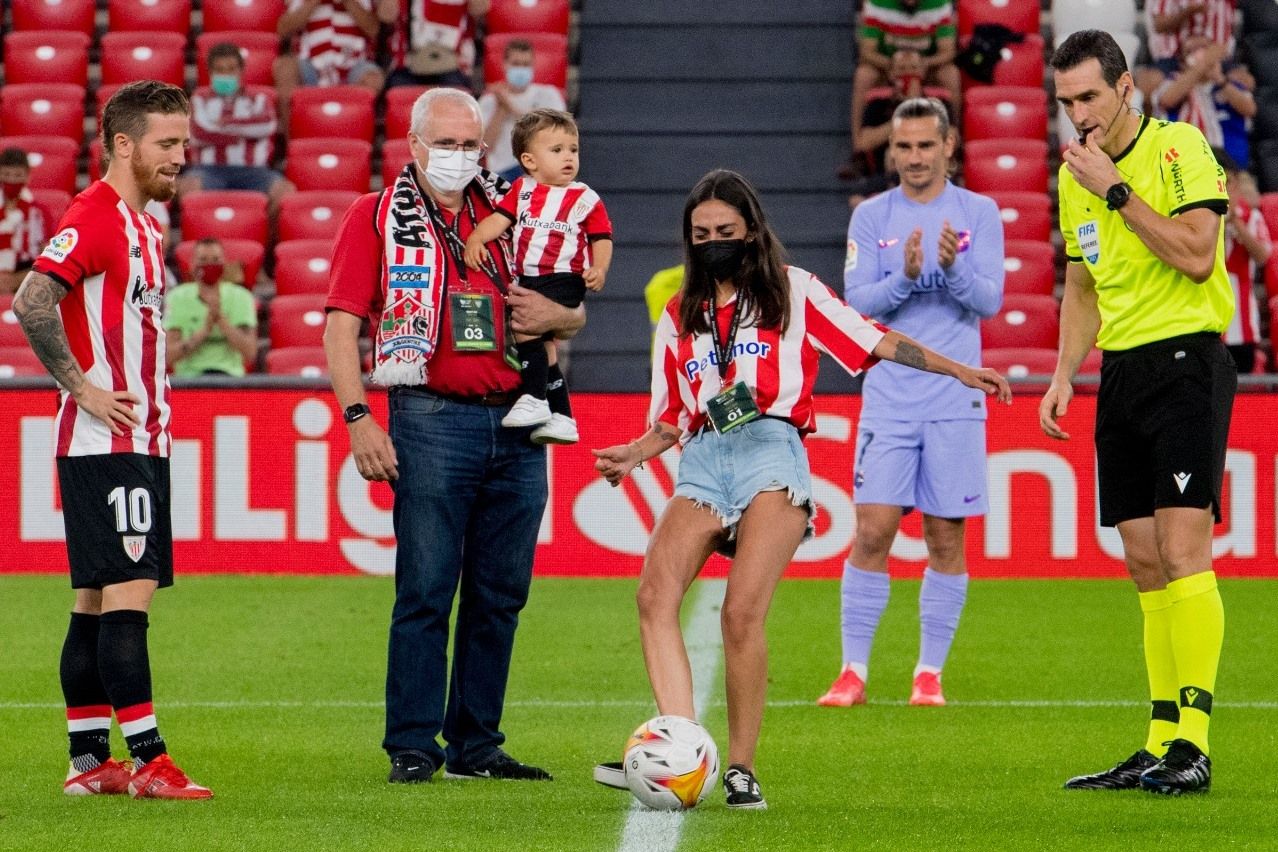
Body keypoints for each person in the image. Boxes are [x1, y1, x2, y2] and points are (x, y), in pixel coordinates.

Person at [590, 169, 1011, 809]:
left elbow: (875, 340)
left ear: (752, 231)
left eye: (724, 232)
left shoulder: (794, 291)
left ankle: (739, 768)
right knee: (654, 594)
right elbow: (672, 418)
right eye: (700, 234)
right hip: (703, 458)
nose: (712, 243)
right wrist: (632, 453)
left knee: (741, 612)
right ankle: (682, 747)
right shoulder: (679, 313)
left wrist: (958, 370)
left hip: (770, 450)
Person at [323, 87, 584, 784]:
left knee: (501, 593)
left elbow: (572, 314)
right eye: (446, 143)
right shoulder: (376, 216)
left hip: (522, 418)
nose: (460, 156)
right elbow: (341, 326)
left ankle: (477, 745)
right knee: (428, 588)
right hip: (430, 417)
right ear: (413, 146)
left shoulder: (515, 209)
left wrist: (559, 318)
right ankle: (412, 743)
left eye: (471, 144)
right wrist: (358, 420)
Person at [1042, 30, 1234, 795]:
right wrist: (1063, 374)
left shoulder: (1180, 147)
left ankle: (1196, 741)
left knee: (1186, 551)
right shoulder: (1071, 179)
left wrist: (1117, 190)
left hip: (1187, 360)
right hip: (1120, 372)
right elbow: (1083, 285)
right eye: (1064, 102)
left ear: (1125, 89)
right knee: (1144, 561)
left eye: (1088, 96)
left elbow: (1194, 252)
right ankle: (1159, 740)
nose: (1077, 115)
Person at [12, 80, 211, 800]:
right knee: (129, 596)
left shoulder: (146, 227)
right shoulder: (96, 217)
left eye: (184, 142)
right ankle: (152, 761)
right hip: (110, 444)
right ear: (123, 144)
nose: (180, 157)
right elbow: (32, 300)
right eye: (167, 143)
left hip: (134, 443)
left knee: (94, 602)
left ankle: (90, 760)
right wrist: (83, 388)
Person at [817, 96, 1004, 710]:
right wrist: (908, 273)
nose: (916, 157)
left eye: (927, 145)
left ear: (949, 146)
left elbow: (989, 301)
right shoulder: (872, 216)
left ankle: (928, 673)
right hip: (890, 396)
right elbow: (858, 302)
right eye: (905, 147)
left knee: (945, 537)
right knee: (873, 529)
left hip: (955, 400)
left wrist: (949, 270)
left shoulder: (979, 210)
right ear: (890, 150)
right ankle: (853, 671)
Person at [464, 108, 612, 445]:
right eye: (557, 150)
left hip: (563, 276)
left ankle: (534, 398)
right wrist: (476, 238)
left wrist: (599, 268)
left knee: (524, 328)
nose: (568, 158)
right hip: (528, 276)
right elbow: (500, 220)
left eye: (573, 149)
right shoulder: (523, 190)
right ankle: (562, 417)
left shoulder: (585, 198)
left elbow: (601, 238)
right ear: (530, 161)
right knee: (545, 349)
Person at [180, 42, 294, 215]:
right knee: (189, 188)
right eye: (220, 70)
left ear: (241, 71)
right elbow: (198, 134)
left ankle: (263, 238)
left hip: (254, 171)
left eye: (231, 69)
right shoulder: (199, 99)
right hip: (208, 169)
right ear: (210, 73)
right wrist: (244, 134)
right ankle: (204, 240)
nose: (226, 74)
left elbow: (266, 126)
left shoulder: (259, 99)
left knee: (285, 192)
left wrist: (224, 123)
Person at [849, 0, 960, 175]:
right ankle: (858, 154)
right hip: (887, 66)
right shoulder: (877, 4)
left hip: (926, 66)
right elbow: (867, 50)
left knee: (950, 74)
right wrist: (896, 66)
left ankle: (954, 152)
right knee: (864, 75)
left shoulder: (939, 5)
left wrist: (920, 65)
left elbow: (947, 51)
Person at [274, 0, 393, 127]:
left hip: (353, 66)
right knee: (284, 68)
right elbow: (283, 29)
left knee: (372, 79)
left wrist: (348, 2)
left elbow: (373, 30)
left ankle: (356, 139)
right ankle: (294, 146)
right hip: (311, 65)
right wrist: (313, 3)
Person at [1151, 38, 1256, 171]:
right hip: (1188, 169)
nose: (1201, 55)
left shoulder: (1230, 85)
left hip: (1234, 171)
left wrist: (1219, 79)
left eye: (1205, 49)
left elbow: (1250, 109)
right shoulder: (1172, 83)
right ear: (1182, 62)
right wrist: (1202, 66)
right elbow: (1166, 100)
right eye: (1192, 51)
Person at [164, 238, 259, 377]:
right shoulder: (177, 297)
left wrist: (221, 320)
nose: (209, 265)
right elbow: (168, 357)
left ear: (224, 264)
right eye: (203, 260)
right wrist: (204, 330)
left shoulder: (242, 297)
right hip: (189, 379)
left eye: (215, 260)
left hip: (231, 379)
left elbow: (250, 353)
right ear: (192, 265)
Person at [478, 38, 567, 183]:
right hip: (502, 173)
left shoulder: (548, 95)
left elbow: (552, 135)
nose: (521, 69)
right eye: (516, 64)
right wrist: (500, 110)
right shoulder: (490, 100)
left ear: (532, 66)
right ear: (505, 65)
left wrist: (509, 106)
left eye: (526, 64)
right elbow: (485, 147)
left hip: (539, 170)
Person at [1215, 149, 1271, 373]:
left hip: (1241, 322)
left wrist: (1236, 223)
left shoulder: (1251, 217)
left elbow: (1263, 256)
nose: (1226, 189)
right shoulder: (1198, 220)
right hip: (1207, 322)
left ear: (1236, 183)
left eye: (1228, 182)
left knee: (1241, 392)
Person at [384, 0, 489, 90]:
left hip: (452, 64)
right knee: (400, 99)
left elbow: (480, 8)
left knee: (451, 102)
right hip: (407, 64)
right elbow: (386, 16)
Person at [0, 147, 44, 295]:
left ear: (27, 176)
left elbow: (47, 257)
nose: (12, 180)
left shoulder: (39, 213)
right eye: (6, 175)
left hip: (25, 285)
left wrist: (16, 280)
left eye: (17, 175)